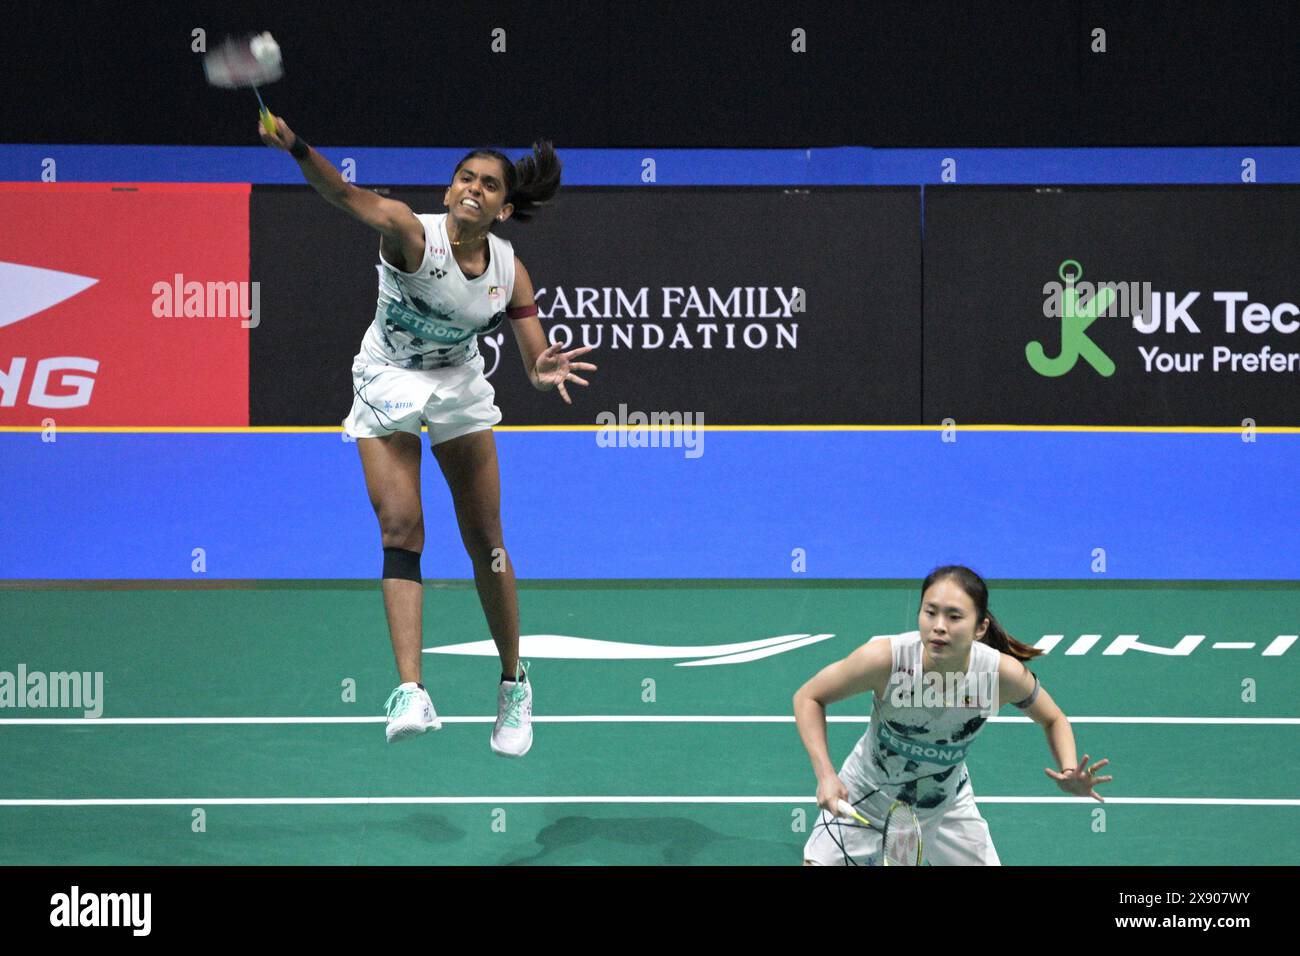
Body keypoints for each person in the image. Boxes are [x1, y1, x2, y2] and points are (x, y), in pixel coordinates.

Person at [259, 114, 596, 757]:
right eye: (465, 178)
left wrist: (543, 365)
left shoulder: (508, 269)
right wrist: (298, 146)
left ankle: (513, 685)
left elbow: (531, 357)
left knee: (486, 542)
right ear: (447, 193)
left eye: (490, 184)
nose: (474, 188)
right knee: (401, 528)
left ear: (503, 207)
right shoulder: (411, 235)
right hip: (387, 377)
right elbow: (344, 194)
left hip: (458, 385)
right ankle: (412, 690)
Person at [793, 564, 1113, 864]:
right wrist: (826, 776)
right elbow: (809, 696)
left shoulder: (999, 674)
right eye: (930, 613)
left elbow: (1053, 718)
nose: (939, 627)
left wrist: (1069, 769)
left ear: (980, 627)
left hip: (946, 807)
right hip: (865, 797)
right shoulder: (886, 660)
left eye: (954, 617)